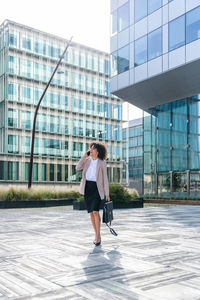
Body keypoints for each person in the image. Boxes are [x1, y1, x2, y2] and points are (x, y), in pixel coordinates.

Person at [76, 142, 110, 246]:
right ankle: (96, 234)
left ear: (97, 151)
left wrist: (107, 194)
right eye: (90, 148)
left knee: (95, 211)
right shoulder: (86, 161)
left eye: (93, 149)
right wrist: (83, 156)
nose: (91, 150)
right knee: (91, 212)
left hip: (97, 189)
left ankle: (98, 236)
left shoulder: (102, 163)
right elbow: (77, 167)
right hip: (88, 188)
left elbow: (105, 179)